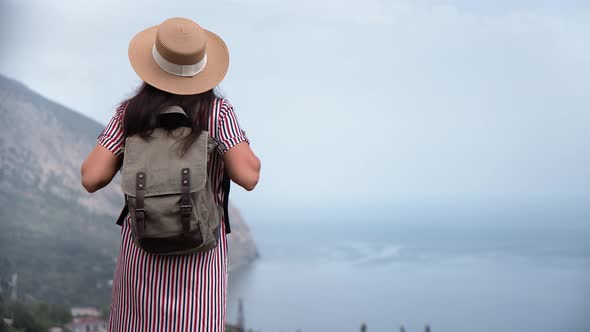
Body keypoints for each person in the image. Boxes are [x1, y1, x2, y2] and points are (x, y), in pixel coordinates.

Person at [80, 17, 261, 332]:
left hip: (142, 256)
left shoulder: (130, 113)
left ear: (153, 65)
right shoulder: (217, 113)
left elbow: (91, 177)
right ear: (202, 68)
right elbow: (249, 175)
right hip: (199, 263)